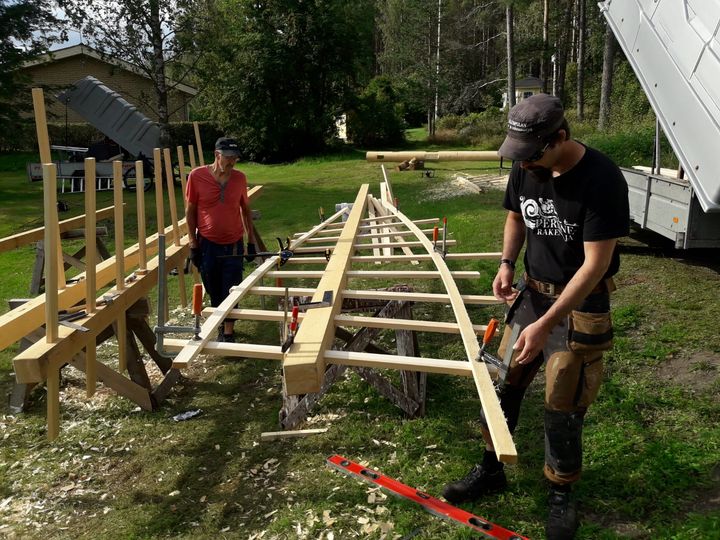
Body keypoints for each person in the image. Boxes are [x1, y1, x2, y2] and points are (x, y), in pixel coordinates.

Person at [442, 94, 629, 540]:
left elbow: (594, 266)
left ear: (560, 138)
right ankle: (491, 468)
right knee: (505, 381)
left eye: (531, 155)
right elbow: (515, 217)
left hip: (581, 300)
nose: (523, 164)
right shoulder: (527, 166)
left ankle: (562, 492)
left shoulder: (601, 179)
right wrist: (507, 263)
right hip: (532, 294)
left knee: (563, 399)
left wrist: (548, 325)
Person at [185, 137, 256, 342]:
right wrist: (193, 244)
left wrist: (250, 240)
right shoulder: (197, 176)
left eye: (235, 158)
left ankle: (228, 332)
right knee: (214, 286)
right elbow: (190, 212)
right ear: (217, 155)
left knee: (232, 286)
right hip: (207, 243)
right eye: (229, 157)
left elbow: (245, 210)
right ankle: (220, 323)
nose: (233, 162)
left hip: (233, 242)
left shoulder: (239, 178)